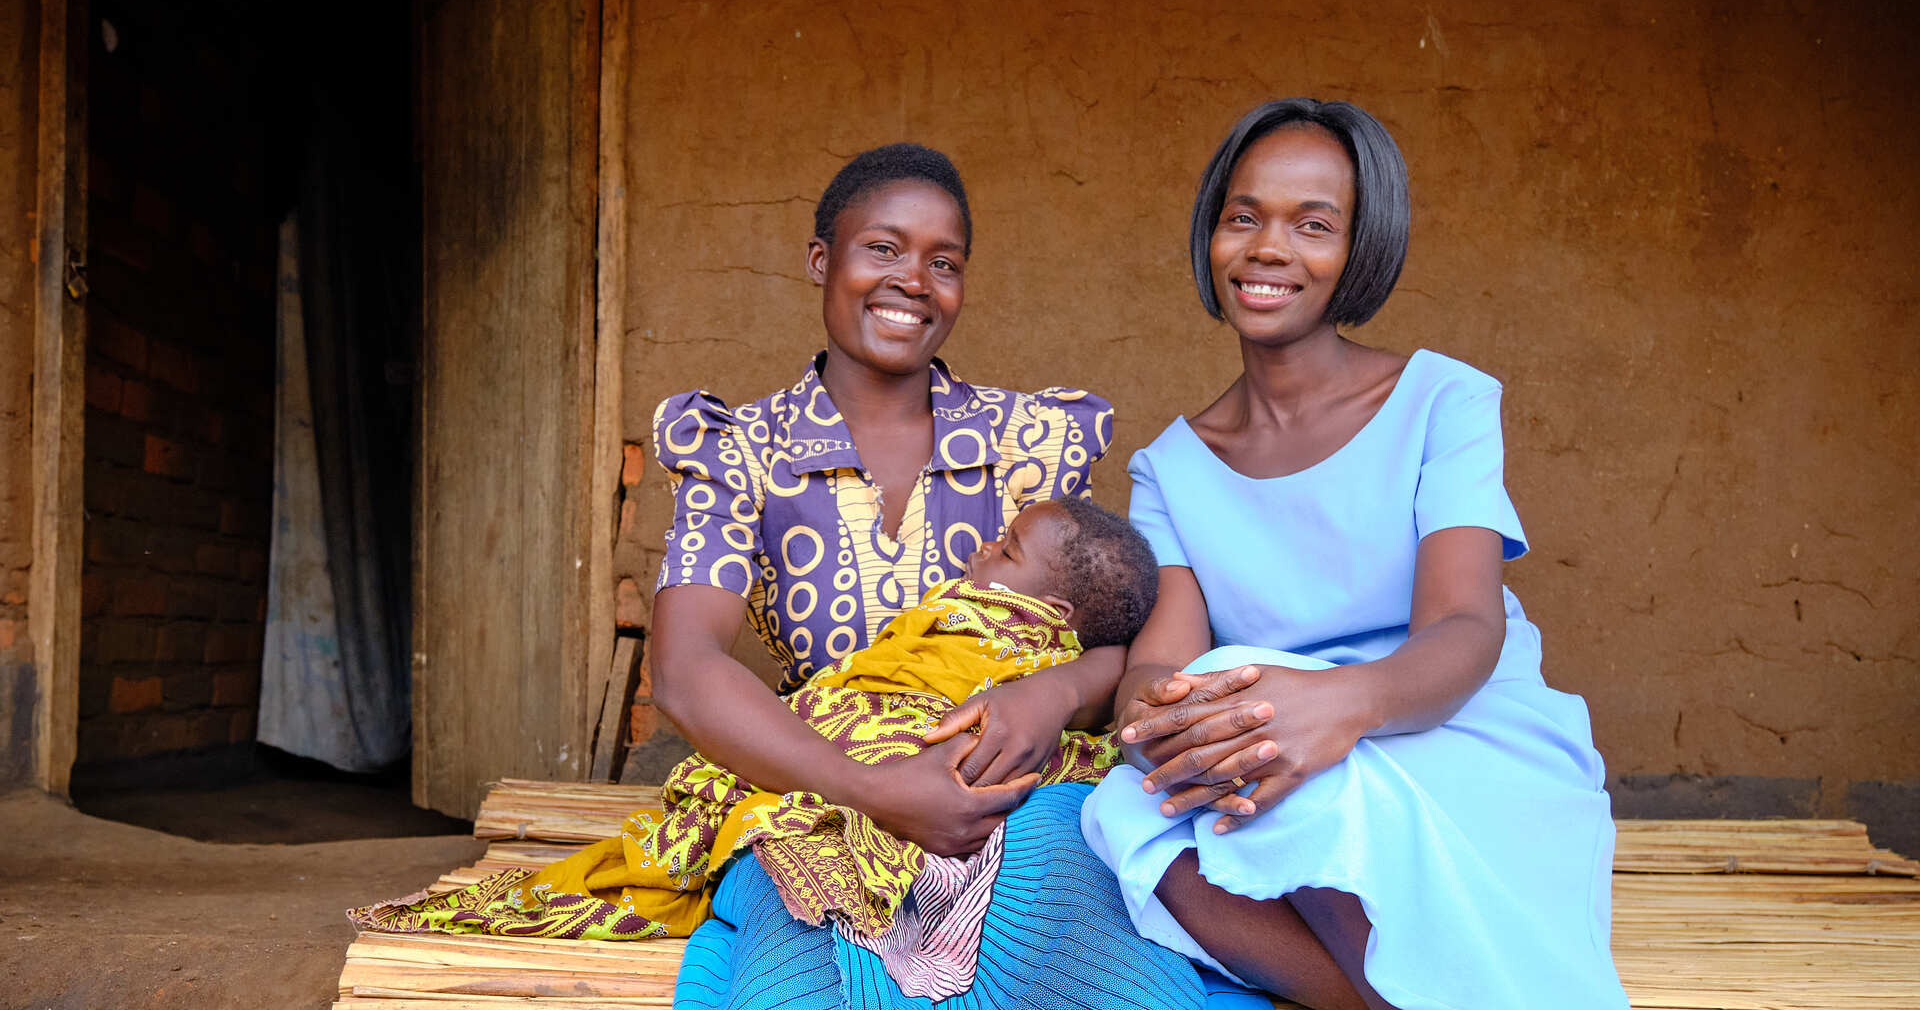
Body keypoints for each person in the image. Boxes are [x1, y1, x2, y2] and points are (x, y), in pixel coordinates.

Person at [354, 145, 1216, 1009]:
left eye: (943, 262)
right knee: (800, 955)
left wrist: (1051, 696)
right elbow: (686, 673)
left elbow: (1111, 633)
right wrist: (872, 792)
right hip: (809, 787)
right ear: (822, 260)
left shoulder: (1027, 442)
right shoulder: (743, 455)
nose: (913, 280)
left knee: (1083, 933)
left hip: (1001, 789)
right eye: (883, 248)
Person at [1079, 100, 1629, 1010]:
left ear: (1361, 249)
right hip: (1273, 748)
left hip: (1459, 732)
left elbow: (1464, 625)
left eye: (1314, 225)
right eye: (1243, 216)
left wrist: (1334, 707)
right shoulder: (1170, 468)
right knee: (1122, 812)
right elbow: (1160, 667)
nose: (1267, 247)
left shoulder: (1441, 402)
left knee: (1276, 740)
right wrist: (1164, 730)